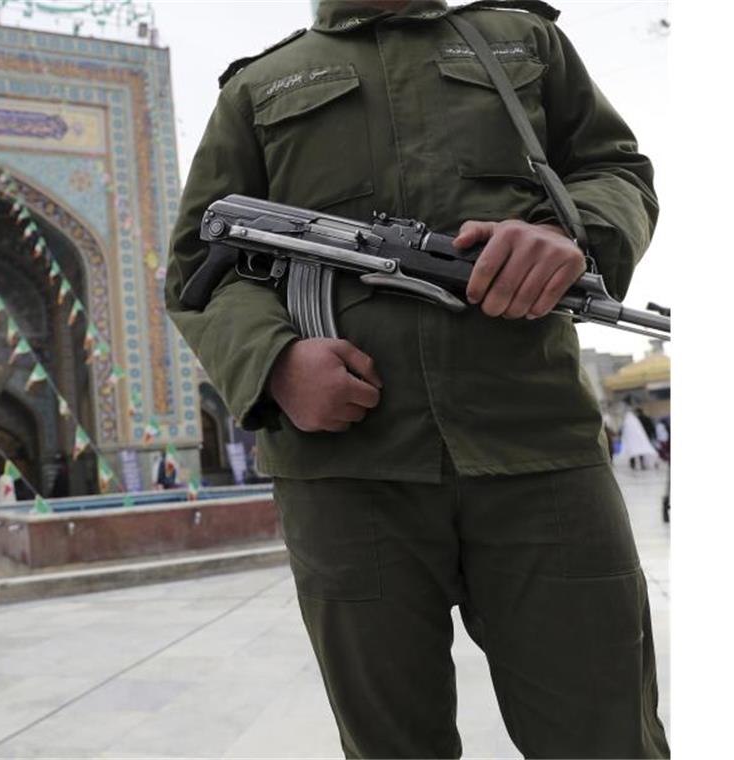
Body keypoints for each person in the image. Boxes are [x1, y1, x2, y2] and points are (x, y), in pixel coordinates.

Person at [164, 1, 668, 757]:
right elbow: (197, 266)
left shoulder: (519, 39)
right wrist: (274, 363)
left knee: (606, 734)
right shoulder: (258, 87)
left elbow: (613, 167)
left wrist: (573, 235)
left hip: (539, 450)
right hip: (346, 472)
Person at [617, 402, 661, 471]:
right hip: (645, 437)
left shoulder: (632, 420)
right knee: (642, 450)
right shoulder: (639, 419)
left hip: (635, 439)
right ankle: (644, 464)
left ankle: (634, 464)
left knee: (634, 451)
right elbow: (649, 428)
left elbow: (625, 431)